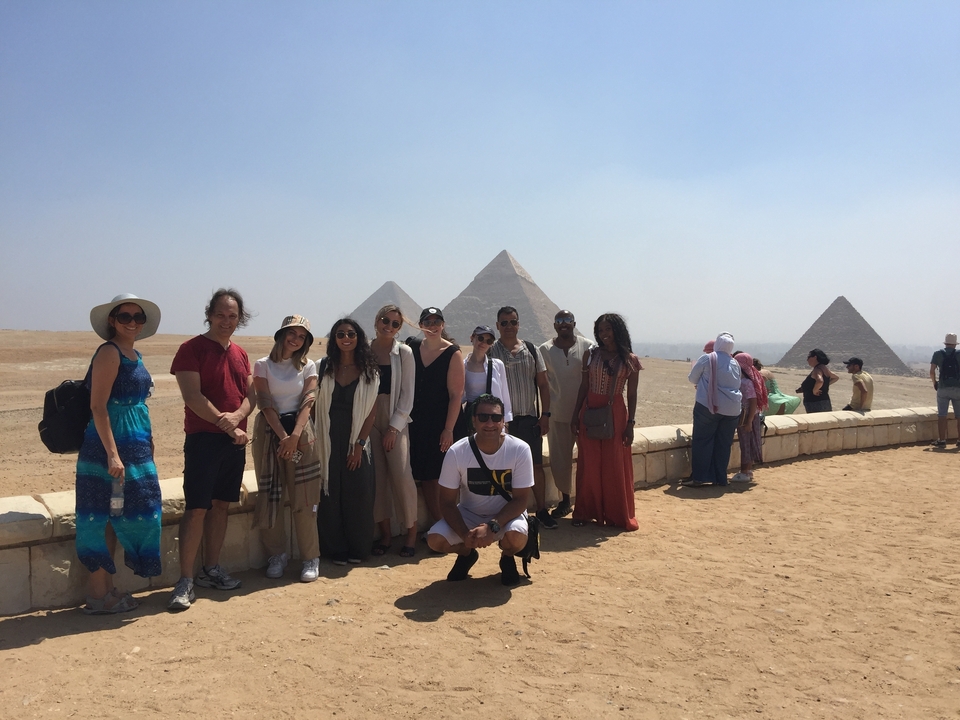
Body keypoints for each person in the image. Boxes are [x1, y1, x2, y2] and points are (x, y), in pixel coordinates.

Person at [76, 294, 163, 614]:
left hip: (135, 449)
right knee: (101, 516)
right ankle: (99, 595)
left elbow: (138, 403)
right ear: (112, 320)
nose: (132, 322)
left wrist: (148, 439)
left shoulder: (134, 354)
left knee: (125, 513)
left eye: (138, 317)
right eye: (124, 316)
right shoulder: (109, 353)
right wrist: (113, 455)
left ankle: (107, 590)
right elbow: (98, 406)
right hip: (108, 454)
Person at [168, 288, 254, 611]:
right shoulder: (191, 349)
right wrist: (227, 423)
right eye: (221, 315)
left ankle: (211, 568)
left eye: (233, 316)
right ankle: (186, 579)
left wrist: (239, 418)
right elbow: (192, 396)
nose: (226, 321)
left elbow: (251, 396)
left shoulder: (241, 354)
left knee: (221, 506)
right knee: (197, 507)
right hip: (205, 439)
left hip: (233, 442)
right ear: (209, 314)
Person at [426, 394, 532, 587]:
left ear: (503, 421)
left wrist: (493, 526)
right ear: (474, 420)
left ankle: (507, 557)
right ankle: (467, 554)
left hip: (506, 516)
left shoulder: (520, 449)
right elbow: (447, 502)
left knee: (516, 538)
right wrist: (465, 534)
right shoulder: (457, 452)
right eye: (483, 417)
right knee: (435, 540)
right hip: (470, 514)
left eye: (496, 418)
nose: (490, 423)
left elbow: (521, 500)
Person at [252, 315, 321, 582]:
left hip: (301, 432)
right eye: (291, 333)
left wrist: (294, 436)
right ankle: (276, 555)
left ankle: (310, 557)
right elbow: (265, 403)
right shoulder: (262, 365)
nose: (296, 339)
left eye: (301, 336)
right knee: (271, 496)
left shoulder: (308, 366)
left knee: (305, 497)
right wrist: (283, 437)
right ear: (281, 334)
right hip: (270, 433)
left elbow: (308, 401)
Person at [569, 313, 641, 530]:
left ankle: (617, 514)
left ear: (617, 330)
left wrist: (631, 423)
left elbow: (633, 394)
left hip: (615, 413)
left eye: (608, 329)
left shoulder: (630, 360)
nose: (604, 334)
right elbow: (584, 386)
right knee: (588, 464)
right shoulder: (590, 356)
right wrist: (575, 415)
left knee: (614, 464)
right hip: (590, 411)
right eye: (600, 330)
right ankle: (586, 511)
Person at [316, 318, 379, 565]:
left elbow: (371, 412)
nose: (346, 338)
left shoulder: (369, 371)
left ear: (358, 337)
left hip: (357, 439)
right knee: (329, 492)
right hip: (327, 436)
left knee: (358, 493)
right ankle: (335, 548)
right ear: (334, 338)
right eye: (340, 334)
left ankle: (358, 547)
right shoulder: (323, 368)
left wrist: (359, 445)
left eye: (351, 333)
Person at [488, 306, 557, 530]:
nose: (509, 327)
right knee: (503, 469)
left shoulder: (532, 350)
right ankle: (510, 514)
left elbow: (543, 385)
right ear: (497, 325)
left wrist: (545, 415)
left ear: (519, 324)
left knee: (536, 466)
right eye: (504, 323)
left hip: (528, 419)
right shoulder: (490, 352)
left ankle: (542, 510)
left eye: (513, 322)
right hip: (501, 422)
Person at [407, 307, 464, 526]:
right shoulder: (411, 347)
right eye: (427, 322)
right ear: (420, 325)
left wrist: (448, 429)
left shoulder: (453, 353)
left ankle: (450, 526)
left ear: (443, 324)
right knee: (427, 476)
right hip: (418, 424)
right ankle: (440, 524)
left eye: (436, 322)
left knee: (445, 476)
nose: (432, 326)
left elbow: (456, 395)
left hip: (442, 424)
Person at [369, 305, 418, 558]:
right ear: (376, 320)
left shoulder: (405, 353)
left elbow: (408, 394)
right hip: (368, 417)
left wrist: (393, 428)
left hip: (396, 416)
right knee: (377, 480)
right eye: (385, 320)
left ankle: (411, 532)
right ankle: (386, 535)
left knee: (401, 475)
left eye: (396, 323)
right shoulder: (364, 351)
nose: (389, 326)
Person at [539, 310, 593, 518]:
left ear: (574, 323)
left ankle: (587, 500)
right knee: (559, 461)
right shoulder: (545, 350)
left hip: (585, 415)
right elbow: (542, 384)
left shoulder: (588, 347)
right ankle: (565, 501)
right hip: (558, 414)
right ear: (554, 325)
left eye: (567, 320)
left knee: (588, 460)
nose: (564, 324)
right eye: (560, 321)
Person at [685, 333, 742, 487]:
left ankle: (699, 477)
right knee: (723, 444)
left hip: (708, 406)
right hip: (732, 410)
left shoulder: (707, 358)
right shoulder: (735, 363)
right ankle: (720, 478)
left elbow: (692, 379)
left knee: (702, 441)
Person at [456, 324, 512, 438]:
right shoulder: (462, 366)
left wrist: (505, 424)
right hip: (472, 419)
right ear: (472, 338)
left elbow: (504, 396)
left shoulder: (498, 365)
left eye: (489, 341)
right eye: (480, 338)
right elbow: (458, 396)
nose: (483, 343)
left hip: (493, 417)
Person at [731, 352, 768, 483]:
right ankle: (748, 471)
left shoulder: (746, 382)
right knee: (750, 443)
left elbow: (752, 401)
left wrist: (749, 421)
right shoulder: (751, 380)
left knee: (746, 444)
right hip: (752, 416)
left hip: (747, 417)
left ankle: (745, 472)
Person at [930, 333, 960, 448]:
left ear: (945, 343)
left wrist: (935, 383)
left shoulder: (938, 354)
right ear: (955, 343)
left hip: (943, 387)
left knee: (942, 415)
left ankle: (942, 440)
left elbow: (932, 371)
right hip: (958, 388)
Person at [797, 349, 839, 413]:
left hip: (814, 402)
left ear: (815, 357)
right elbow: (836, 377)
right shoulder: (824, 368)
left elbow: (820, 381)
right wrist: (825, 385)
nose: (807, 360)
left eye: (808, 357)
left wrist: (815, 390)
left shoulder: (817, 370)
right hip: (825, 401)